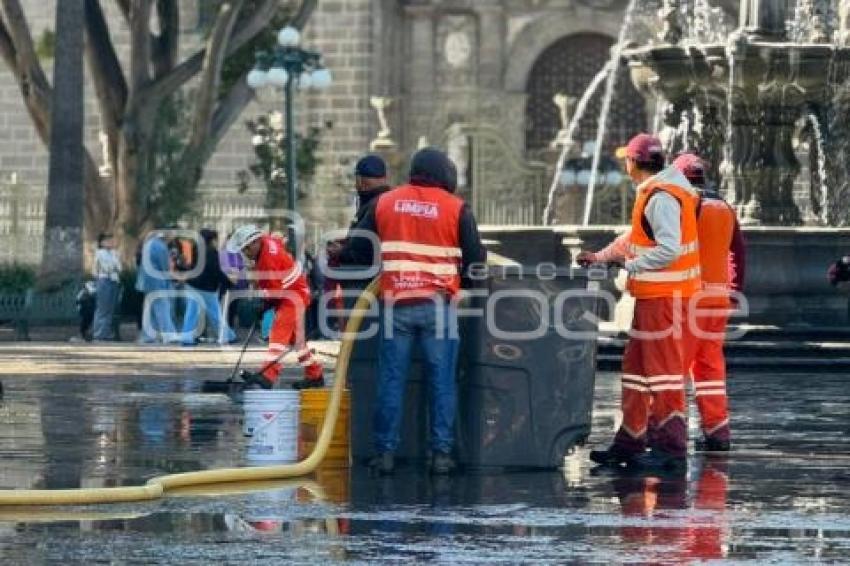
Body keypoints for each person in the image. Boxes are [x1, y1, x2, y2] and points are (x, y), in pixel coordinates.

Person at [349, 147, 487, 475]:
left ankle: (384, 455)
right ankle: (440, 455)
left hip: (396, 305)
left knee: (391, 381)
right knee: (442, 382)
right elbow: (476, 261)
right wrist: (463, 280)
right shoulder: (456, 208)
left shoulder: (386, 202)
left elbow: (358, 248)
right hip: (438, 307)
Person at [578, 133, 701, 471]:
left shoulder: (662, 197)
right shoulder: (655, 193)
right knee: (635, 371)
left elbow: (668, 248)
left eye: (626, 160)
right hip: (652, 298)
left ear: (634, 162)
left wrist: (628, 266)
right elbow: (634, 238)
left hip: (665, 298)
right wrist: (601, 257)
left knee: (662, 375)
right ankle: (630, 442)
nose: (625, 165)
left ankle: (671, 449)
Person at [672, 153, 746, 452]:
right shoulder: (725, 207)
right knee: (710, 367)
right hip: (718, 298)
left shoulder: (684, 204)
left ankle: (670, 432)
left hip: (689, 296)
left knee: (674, 367)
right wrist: (734, 290)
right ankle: (717, 430)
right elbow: (738, 252)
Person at [227, 225, 325, 390]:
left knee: (278, 334)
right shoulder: (267, 241)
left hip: (293, 296)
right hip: (293, 292)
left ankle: (268, 375)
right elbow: (279, 242)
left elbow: (274, 292)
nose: (245, 253)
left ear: (254, 242)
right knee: (298, 342)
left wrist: (263, 305)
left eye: (245, 249)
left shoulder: (267, 260)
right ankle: (314, 375)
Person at [179, 229, 237, 346]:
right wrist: (229, 283)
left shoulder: (195, 249)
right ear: (211, 240)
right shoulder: (211, 252)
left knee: (191, 312)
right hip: (207, 288)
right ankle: (226, 335)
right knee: (215, 313)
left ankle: (186, 338)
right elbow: (216, 271)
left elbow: (187, 265)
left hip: (192, 284)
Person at [135, 231, 178, 343]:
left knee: (150, 311)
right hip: (157, 281)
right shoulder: (161, 247)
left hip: (146, 281)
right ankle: (169, 334)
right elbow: (165, 266)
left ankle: (148, 336)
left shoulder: (149, 244)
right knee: (162, 307)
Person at [92, 233, 122, 341]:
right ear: (102, 242)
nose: (111, 243)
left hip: (114, 280)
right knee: (103, 308)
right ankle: (98, 333)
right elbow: (106, 267)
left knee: (111, 309)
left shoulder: (114, 253)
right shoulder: (100, 253)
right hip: (104, 279)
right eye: (108, 241)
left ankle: (107, 332)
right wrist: (113, 267)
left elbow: (119, 267)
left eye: (112, 240)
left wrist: (114, 264)